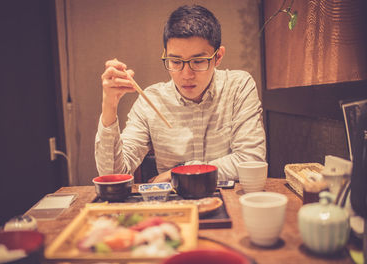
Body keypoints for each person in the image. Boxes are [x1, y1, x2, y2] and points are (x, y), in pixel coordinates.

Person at [95, 5, 266, 183]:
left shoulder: (238, 87)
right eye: (175, 61)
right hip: (173, 206)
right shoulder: (151, 101)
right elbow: (113, 174)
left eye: (198, 61)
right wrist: (109, 106)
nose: (186, 75)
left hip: (228, 201)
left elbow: (251, 161)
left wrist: (177, 173)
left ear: (218, 57)